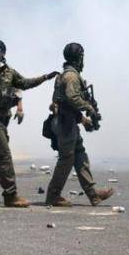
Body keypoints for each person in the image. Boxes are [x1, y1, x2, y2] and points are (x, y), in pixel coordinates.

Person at [0, 38, 56, 207]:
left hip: (1, 120)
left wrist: (45, 77)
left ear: (4, 53)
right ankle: (11, 195)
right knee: (4, 157)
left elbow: (24, 83)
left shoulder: (8, 72)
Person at [44, 43, 114, 208]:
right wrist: (89, 108)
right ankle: (53, 195)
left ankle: (93, 194)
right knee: (66, 160)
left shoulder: (67, 75)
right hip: (65, 124)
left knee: (80, 156)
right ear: (78, 58)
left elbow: (66, 103)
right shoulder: (71, 76)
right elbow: (72, 98)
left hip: (68, 121)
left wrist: (83, 119)